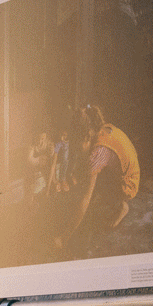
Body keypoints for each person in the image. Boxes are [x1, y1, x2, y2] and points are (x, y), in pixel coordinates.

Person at [57, 104, 140, 252]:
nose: (75, 151)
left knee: (87, 193)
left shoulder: (99, 152)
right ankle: (115, 201)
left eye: (77, 145)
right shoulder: (100, 129)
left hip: (128, 185)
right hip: (129, 171)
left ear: (88, 136)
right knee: (87, 169)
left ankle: (121, 205)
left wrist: (63, 238)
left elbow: (85, 197)